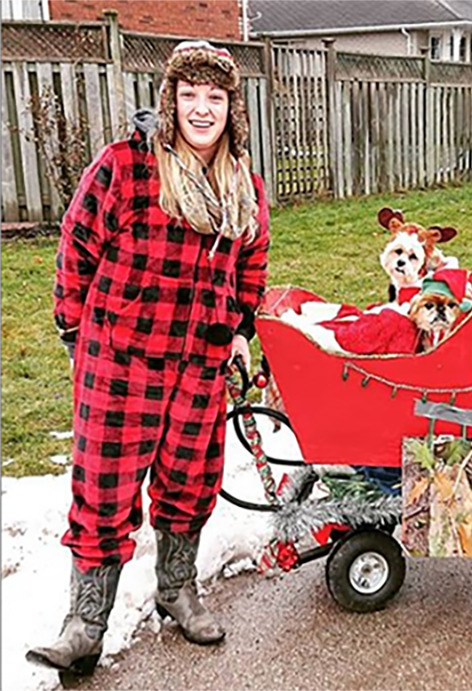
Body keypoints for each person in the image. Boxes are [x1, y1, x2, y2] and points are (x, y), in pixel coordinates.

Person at [26, 41, 269, 676]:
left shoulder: (243, 186)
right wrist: (75, 333)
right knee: (102, 490)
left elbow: (251, 264)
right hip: (120, 357)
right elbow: (77, 247)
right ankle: (84, 625)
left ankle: (176, 590)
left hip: (199, 360)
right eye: (189, 95)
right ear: (171, 101)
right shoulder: (125, 168)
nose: (201, 108)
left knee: (190, 483)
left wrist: (242, 327)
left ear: (231, 109)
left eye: (214, 97)